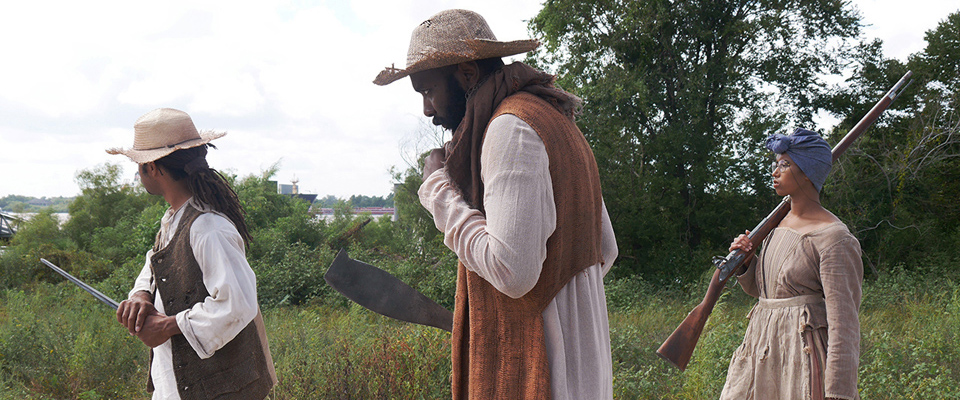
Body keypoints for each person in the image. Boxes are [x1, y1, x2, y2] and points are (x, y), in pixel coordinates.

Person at [374, 9, 618, 400]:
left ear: (467, 73)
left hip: (544, 373)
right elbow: (605, 249)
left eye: (428, 90)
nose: (426, 109)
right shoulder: (555, 119)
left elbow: (512, 271)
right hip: (583, 371)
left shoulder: (509, 129)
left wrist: (437, 188)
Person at [108, 108, 276, 400]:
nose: (137, 173)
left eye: (139, 164)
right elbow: (155, 261)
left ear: (154, 169)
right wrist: (140, 296)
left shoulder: (209, 228)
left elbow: (237, 304)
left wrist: (169, 325)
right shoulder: (173, 220)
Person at [721, 128, 863, 400]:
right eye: (776, 165)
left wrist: (838, 392)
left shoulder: (835, 238)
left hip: (802, 361)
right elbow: (766, 293)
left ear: (808, 172)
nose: (775, 172)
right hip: (760, 351)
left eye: (785, 165)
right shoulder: (776, 227)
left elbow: (845, 325)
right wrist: (745, 262)